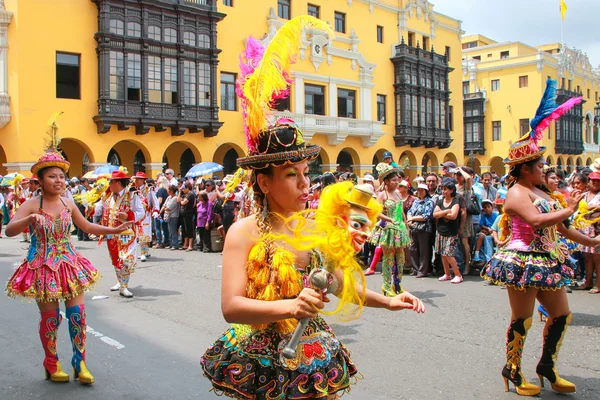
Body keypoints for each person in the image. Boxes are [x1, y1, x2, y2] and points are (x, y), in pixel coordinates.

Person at [200, 22, 424, 399]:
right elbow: (232, 307)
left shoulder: (316, 227)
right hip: (262, 357)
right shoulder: (244, 232)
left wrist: (387, 300)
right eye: (291, 174)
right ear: (264, 183)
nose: (305, 183)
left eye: (306, 173)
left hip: (312, 350)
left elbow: (338, 283)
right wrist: (290, 304)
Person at [480, 79, 594, 396]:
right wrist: (568, 205)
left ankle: (546, 367)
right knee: (523, 318)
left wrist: (594, 242)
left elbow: (562, 227)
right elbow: (536, 219)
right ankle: (513, 370)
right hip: (521, 259)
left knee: (561, 315)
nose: (545, 168)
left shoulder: (540, 190)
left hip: (546, 259)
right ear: (526, 167)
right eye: (541, 164)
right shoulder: (516, 193)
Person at [5, 132, 130, 384]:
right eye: (52, 176)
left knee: (77, 316)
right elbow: (9, 230)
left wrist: (112, 230)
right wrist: (29, 220)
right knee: (50, 319)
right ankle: (51, 364)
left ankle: (79, 363)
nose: (59, 180)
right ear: (40, 180)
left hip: (70, 265)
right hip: (41, 266)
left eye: (62, 176)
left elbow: (86, 226)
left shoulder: (68, 202)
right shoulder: (31, 204)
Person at [95, 169, 145, 298]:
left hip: (126, 234)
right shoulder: (108, 195)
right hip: (111, 233)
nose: (109, 185)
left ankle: (124, 286)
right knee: (115, 259)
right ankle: (120, 282)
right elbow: (100, 208)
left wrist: (128, 215)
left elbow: (141, 212)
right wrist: (92, 209)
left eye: (111, 182)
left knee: (126, 260)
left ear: (118, 183)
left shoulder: (131, 195)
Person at [367, 162, 411, 295]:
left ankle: (397, 285)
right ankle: (386, 287)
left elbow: (401, 210)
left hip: (399, 228)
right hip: (388, 229)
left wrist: (405, 224)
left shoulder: (398, 194)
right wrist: (388, 219)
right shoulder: (382, 195)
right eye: (393, 180)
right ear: (386, 181)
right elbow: (376, 212)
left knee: (401, 258)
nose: (396, 183)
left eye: (397, 180)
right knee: (388, 258)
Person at [433, 178, 463, 283]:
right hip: (440, 231)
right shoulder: (440, 201)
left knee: (449, 254)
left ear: (451, 190)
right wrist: (446, 211)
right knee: (443, 254)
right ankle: (447, 274)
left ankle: (458, 275)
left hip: (451, 232)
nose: (443, 191)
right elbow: (435, 214)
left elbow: (454, 216)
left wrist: (441, 212)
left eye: (445, 189)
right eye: (442, 189)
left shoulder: (455, 201)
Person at [407, 183, 434, 277]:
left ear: (426, 191)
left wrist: (413, 218)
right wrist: (410, 219)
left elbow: (426, 216)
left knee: (424, 250)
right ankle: (415, 268)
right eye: (418, 190)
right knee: (412, 248)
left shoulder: (429, 202)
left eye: (421, 190)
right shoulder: (416, 201)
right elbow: (410, 212)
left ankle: (423, 270)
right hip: (414, 227)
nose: (419, 192)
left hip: (424, 228)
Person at [132, 172, 160, 261]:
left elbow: (155, 201)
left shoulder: (149, 190)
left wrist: (156, 210)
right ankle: (146, 251)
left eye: (138, 179)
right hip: (137, 214)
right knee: (138, 233)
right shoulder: (133, 190)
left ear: (143, 180)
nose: (136, 181)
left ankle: (143, 252)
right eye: (136, 179)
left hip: (145, 215)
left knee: (144, 233)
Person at [161, 185, 180, 250]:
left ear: (172, 191)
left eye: (169, 189)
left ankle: (175, 244)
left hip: (173, 216)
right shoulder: (169, 197)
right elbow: (164, 205)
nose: (167, 191)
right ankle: (171, 243)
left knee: (173, 230)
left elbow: (168, 208)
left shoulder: (175, 198)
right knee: (170, 230)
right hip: (168, 216)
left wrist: (164, 208)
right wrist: (161, 211)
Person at [178, 182, 196, 251]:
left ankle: (190, 245)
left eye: (183, 188)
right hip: (183, 214)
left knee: (189, 229)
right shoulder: (184, 195)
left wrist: (181, 200)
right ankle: (185, 244)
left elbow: (183, 202)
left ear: (187, 188)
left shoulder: (191, 194)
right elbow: (178, 200)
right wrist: (180, 193)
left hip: (189, 214)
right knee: (184, 229)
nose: (182, 190)